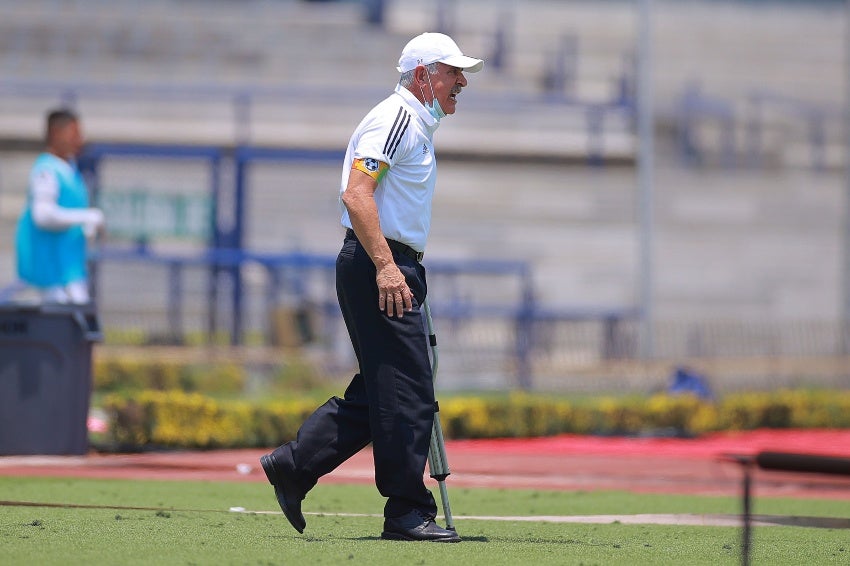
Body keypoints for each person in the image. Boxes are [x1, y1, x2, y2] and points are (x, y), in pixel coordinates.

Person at [260, 32, 483, 542]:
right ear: (424, 75)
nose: (461, 81)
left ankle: (295, 465)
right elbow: (357, 196)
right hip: (380, 264)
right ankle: (406, 510)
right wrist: (387, 268)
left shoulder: (414, 121)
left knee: (388, 387)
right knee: (410, 391)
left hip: (388, 262)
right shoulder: (395, 118)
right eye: (452, 71)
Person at [15, 108, 104, 304]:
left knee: (83, 326)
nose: (79, 140)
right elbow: (42, 215)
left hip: (68, 269)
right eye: (74, 134)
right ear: (56, 133)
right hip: (51, 272)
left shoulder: (69, 169)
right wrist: (86, 217)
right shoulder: (46, 171)